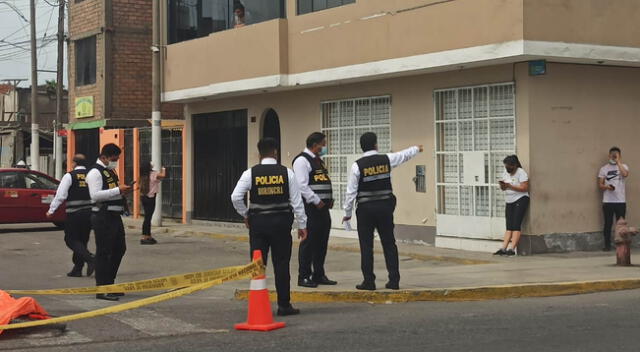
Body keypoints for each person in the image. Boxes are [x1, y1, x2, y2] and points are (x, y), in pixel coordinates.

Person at [231, 138, 308, 316]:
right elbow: (297, 202)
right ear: (275, 151)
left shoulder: (250, 173)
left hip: (258, 225)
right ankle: (284, 305)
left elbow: (235, 197)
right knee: (282, 264)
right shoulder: (286, 173)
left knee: (258, 264)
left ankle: (258, 304)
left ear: (259, 154)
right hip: (281, 224)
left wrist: (246, 214)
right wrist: (302, 224)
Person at [342, 132, 422, 291]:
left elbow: (351, 191)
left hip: (365, 210)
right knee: (389, 243)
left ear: (362, 146)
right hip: (385, 208)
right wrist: (416, 149)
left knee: (366, 246)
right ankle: (394, 280)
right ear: (376, 144)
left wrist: (347, 213)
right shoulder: (386, 159)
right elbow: (403, 155)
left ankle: (369, 281)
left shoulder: (357, 165)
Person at [87, 143, 132, 301]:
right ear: (104, 157)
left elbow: (111, 192)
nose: (116, 161)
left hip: (114, 215)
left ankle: (110, 283)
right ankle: (102, 289)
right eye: (114, 159)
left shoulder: (109, 171)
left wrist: (123, 191)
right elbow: (95, 195)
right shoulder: (95, 173)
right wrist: (118, 190)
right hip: (102, 216)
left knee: (120, 249)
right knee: (104, 252)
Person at [293, 132, 337, 288]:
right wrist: (317, 200)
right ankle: (304, 276)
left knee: (321, 242)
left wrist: (328, 200)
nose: (324, 147)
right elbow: (302, 186)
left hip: (323, 209)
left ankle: (319, 274)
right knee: (309, 242)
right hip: (311, 208)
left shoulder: (319, 161)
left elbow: (322, 181)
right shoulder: (302, 161)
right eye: (322, 144)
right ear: (314, 144)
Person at [46, 154, 95, 277]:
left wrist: (51, 210)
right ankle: (78, 268)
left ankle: (91, 259)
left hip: (74, 214)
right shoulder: (91, 174)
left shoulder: (70, 176)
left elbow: (61, 195)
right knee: (82, 241)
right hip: (89, 213)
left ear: (74, 163)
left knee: (71, 239)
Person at [494, 155, 530, 256]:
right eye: (506, 166)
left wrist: (510, 186)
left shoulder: (521, 172)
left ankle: (512, 249)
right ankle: (503, 248)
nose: (507, 169)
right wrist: (503, 186)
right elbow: (504, 188)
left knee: (516, 225)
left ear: (515, 165)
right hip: (509, 200)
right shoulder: (505, 172)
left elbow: (524, 188)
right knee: (509, 226)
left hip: (520, 199)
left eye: (509, 167)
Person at [598, 147, 629, 251]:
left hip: (620, 201)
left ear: (620, 156)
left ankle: (621, 245)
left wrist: (618, 162)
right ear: (609, 155)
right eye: (612, 155)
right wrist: (607, 187)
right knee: (608, 223)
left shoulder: (624, 166)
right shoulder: (604, 168)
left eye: (616, 155)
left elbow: (625, 174)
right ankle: (607, 245)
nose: (614, 157)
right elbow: (600, 185)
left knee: (620, 224)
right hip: (608, 201)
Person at [139, 162, 166, 245]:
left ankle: (147, 235)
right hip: (151, 198)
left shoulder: (143, 175)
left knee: (147, 217)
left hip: (144, 197)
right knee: (148, 218)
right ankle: (145, 236)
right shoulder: (153, 174)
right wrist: (164, 169)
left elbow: (158, 180)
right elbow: (163, 175)